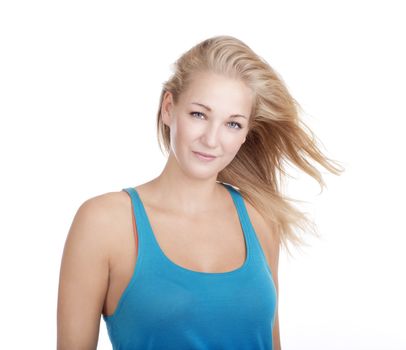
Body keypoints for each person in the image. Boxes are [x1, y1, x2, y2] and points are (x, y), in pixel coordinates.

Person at [57, 35, 344, 350]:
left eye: (233, 124)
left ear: (247, 133)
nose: (211, 139)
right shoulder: (105, 223)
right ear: (169, 109)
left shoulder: (259, 217)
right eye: (199, 114)